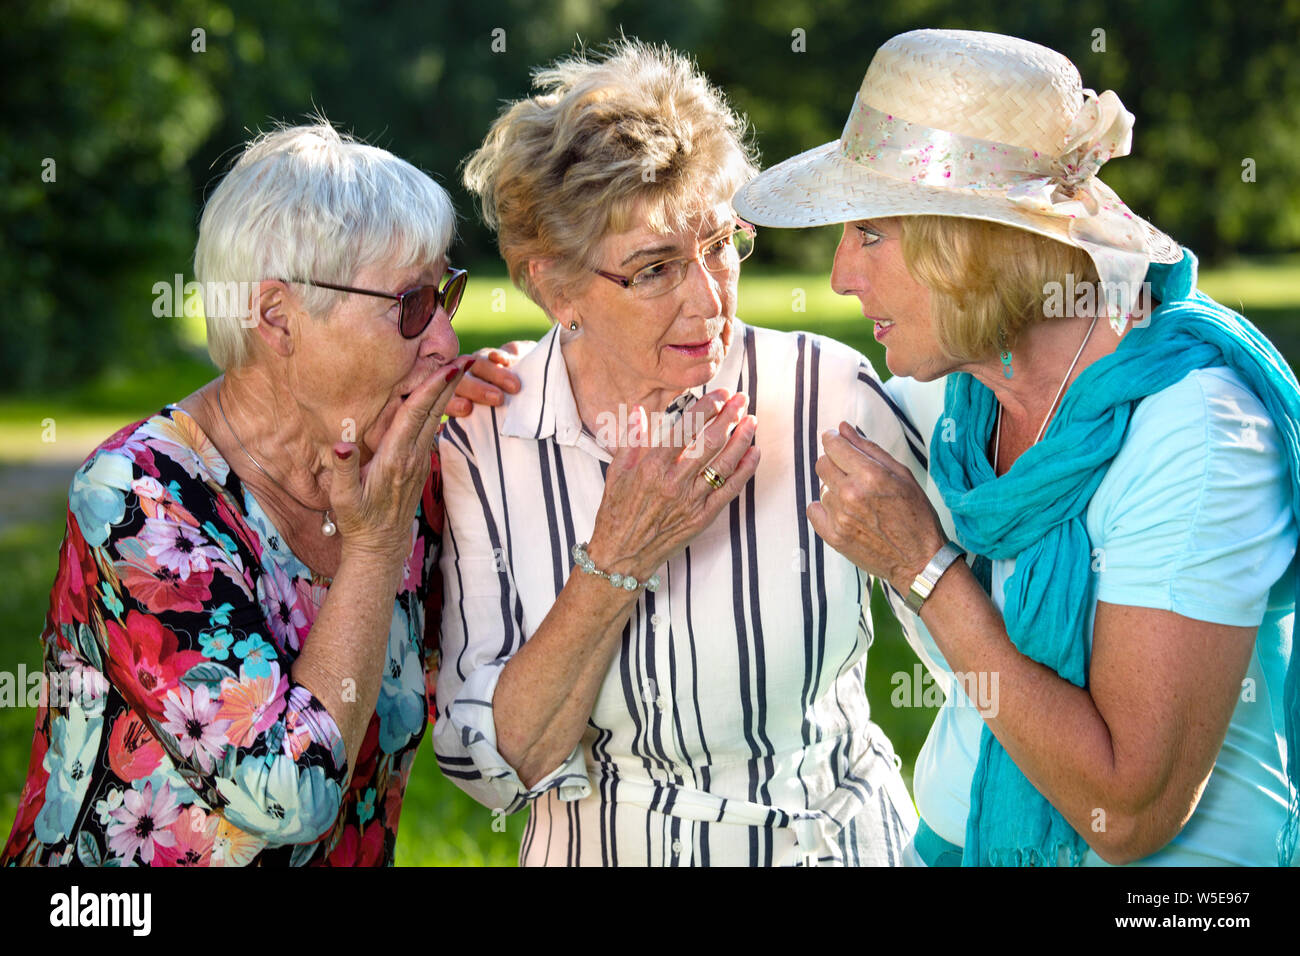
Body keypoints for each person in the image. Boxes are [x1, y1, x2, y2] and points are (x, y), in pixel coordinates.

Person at [733, 28, 1300, 866]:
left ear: (973, 247)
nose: (841, 277)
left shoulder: (1197, 433)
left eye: (872, 235)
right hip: (956, 843)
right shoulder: (945, 398)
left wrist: (927, 571)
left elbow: (1129, 812)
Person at [433, 39, 928, 866]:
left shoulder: (827, 392)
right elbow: (493, 766)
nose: (709, 300)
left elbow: (978, 644)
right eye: (656, 268)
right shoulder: (486, 435)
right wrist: (617, 559)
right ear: (554, 287)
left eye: (722, 244)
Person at [1, 121, 504, 866]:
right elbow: (285, 794)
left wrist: (536, 411)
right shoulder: (139, 495)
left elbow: (494, 707)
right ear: (276, 316)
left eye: (446, 298)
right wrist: (372, 545)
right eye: (410, 306)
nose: (444, 344)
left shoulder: (411, 471)